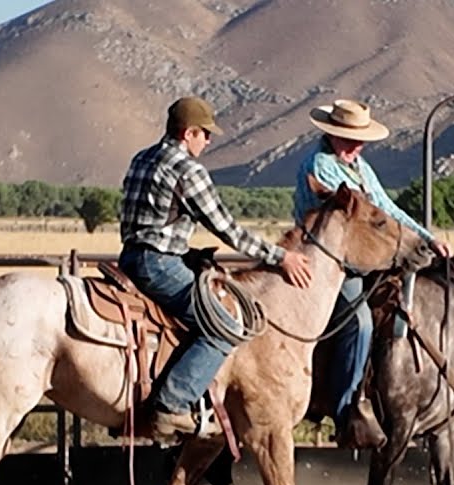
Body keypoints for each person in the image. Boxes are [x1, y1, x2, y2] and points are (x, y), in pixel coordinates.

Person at [119, 96, 313, 440]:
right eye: (205, 134)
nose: (208, 142)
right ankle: (172, 406)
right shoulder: (187, 169)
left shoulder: (142, 157)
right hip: (159, 265)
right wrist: (280, 257)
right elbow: (227, 228)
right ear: (188, 133)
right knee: (224, 325)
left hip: (130, 257)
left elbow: (149, 220)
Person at [292, 99, 451, 449]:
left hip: (361, 259)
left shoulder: (359, 167)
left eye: (360, 139)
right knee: (360, 320)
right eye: (351, 138)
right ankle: (346, 408)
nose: (358, 146)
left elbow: (386, 209)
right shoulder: (321, 167)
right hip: (329, 263)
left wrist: (425, 238)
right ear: (333, 136)